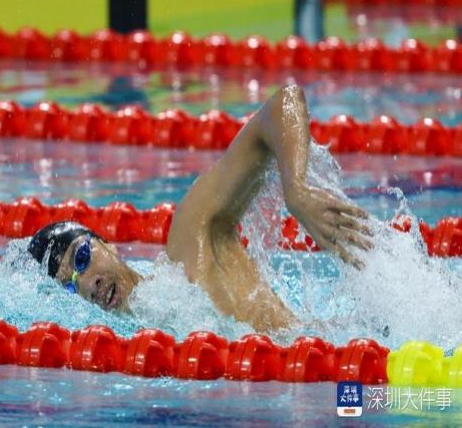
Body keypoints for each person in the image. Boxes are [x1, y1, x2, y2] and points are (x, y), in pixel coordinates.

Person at [28, 85, 373, 332]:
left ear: (107, 244)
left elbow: (283, 103)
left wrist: (295, 189)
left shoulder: (189, 248)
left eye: (82, 258)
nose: (88, 284)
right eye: (70, 286)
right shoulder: (135, 342)